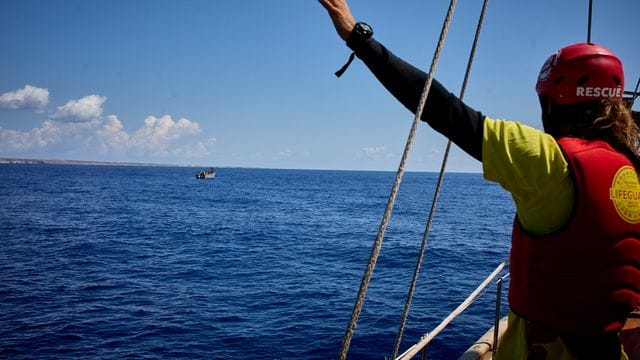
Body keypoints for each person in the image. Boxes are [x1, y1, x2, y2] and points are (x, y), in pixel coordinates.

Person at [318, 1, 640, 359]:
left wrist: (357, 37)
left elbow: (441, 108)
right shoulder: (632, 167)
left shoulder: (549, 161)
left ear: (552, 103)